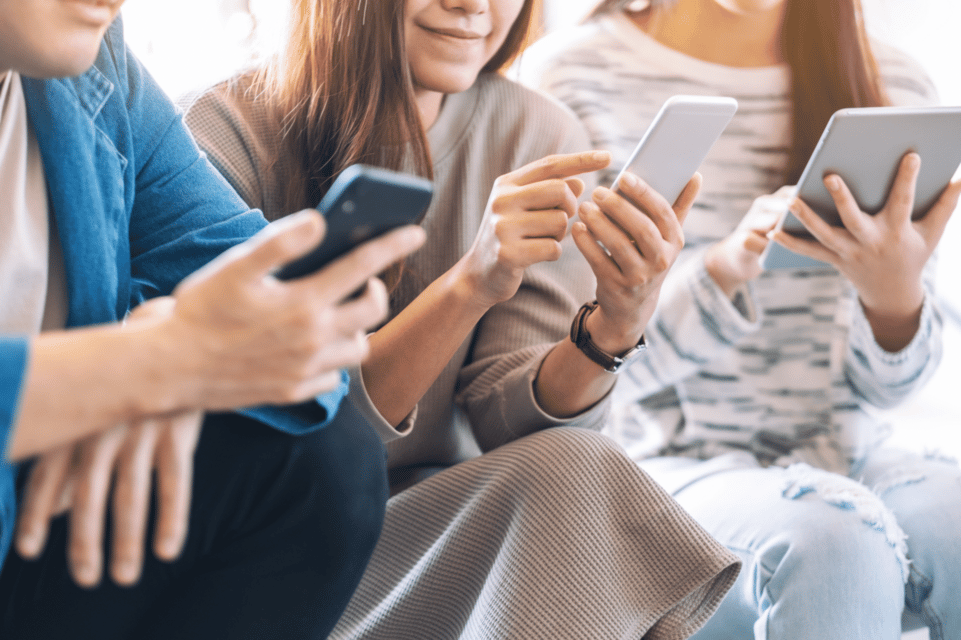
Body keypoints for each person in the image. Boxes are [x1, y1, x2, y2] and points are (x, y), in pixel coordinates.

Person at [182, 0, 744, 637]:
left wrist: (615, 325)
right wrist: (469, 285)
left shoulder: (537, 133)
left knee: (575, 465)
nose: (474, 5)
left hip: (447, 534)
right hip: (277, 555)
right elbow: (275, 446)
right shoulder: (220, 133)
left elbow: (519, 428)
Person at [518, 0, 961, 638]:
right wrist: (722, 272)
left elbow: (894, 388)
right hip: (651, 465)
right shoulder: (570, 78)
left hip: (846, 450)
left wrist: (893, 297)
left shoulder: (893, 82)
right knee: (835, 540)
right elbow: (561, 382)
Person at [0, 2, 426, 638]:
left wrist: (171, 354)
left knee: (321, 460)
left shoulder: (100, 67)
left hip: (31, 528)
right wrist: (149, 367)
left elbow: (275, 313)